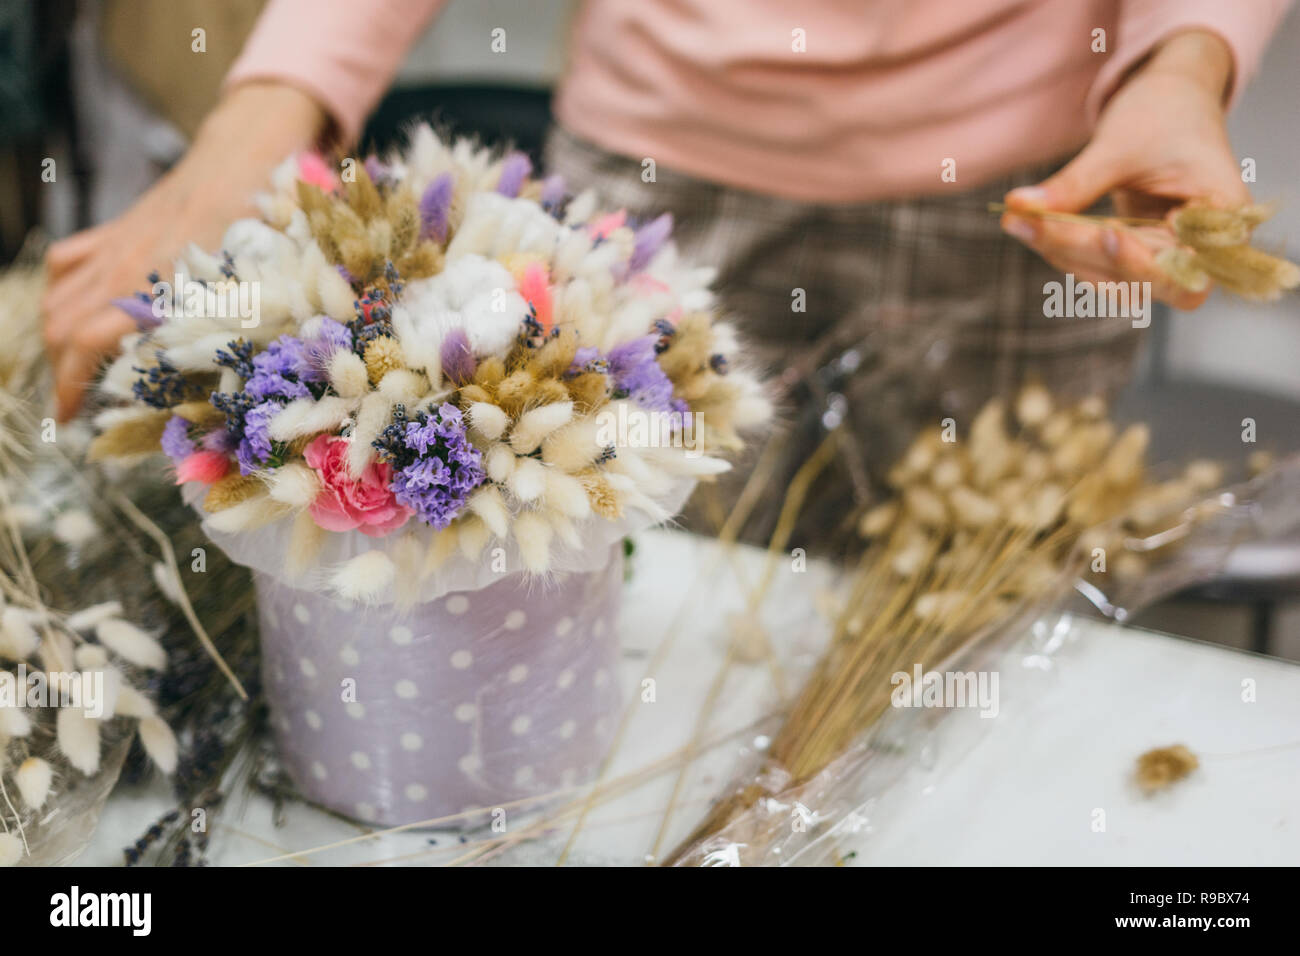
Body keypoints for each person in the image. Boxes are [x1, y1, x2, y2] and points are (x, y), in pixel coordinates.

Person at [42, 0, 1291, 547]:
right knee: (631, 630)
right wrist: (255, 132)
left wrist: (1179, 67)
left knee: (959, 650)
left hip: (1017, 194)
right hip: (649, 191)